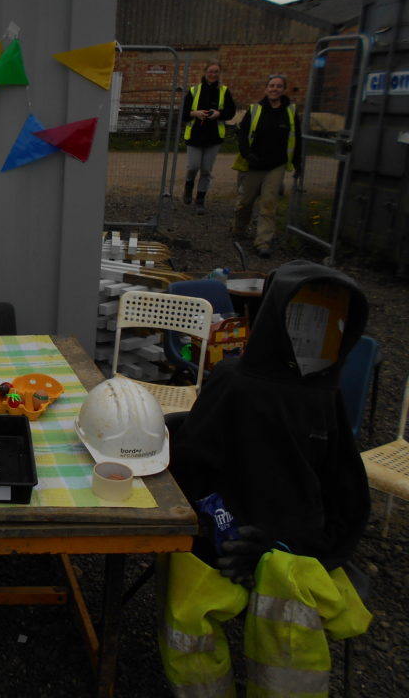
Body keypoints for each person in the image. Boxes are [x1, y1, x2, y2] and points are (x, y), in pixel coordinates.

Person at [160, 260, 372, 697]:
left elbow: (347, 497)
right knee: (194, 610)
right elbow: (195, 469)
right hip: (225, 538)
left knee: (280, 619)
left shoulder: (320, 397)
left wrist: (285, 546)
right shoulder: (240, 385)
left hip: (295, 551)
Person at [232, 73, 302, 258]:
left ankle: (263, 242)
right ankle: (239, 229)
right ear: (266, 89)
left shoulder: (290, 112)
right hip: (255, 163)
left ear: (284, 90)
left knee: (268, 205)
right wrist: (248, 154)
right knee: (244, 202)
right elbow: (243, 134)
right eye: (272, 85)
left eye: (279, 86)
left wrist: (297, 162)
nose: (275, 89)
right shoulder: (256, 110)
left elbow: (297, 138)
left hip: (276, 165)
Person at [180, 62, 236, 214]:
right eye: (210, 71)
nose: (213, 75)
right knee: (193, 166)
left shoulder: (224, 91)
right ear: (205, 72)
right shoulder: (194, 90)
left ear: (219, 74)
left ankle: (200, 199)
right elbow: (183, 113)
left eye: (216, 72)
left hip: (214, 137)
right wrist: (195, 113)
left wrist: (219, 114)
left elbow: (231, 112)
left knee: (206, 170)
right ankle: (188, 185)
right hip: (195, 136)